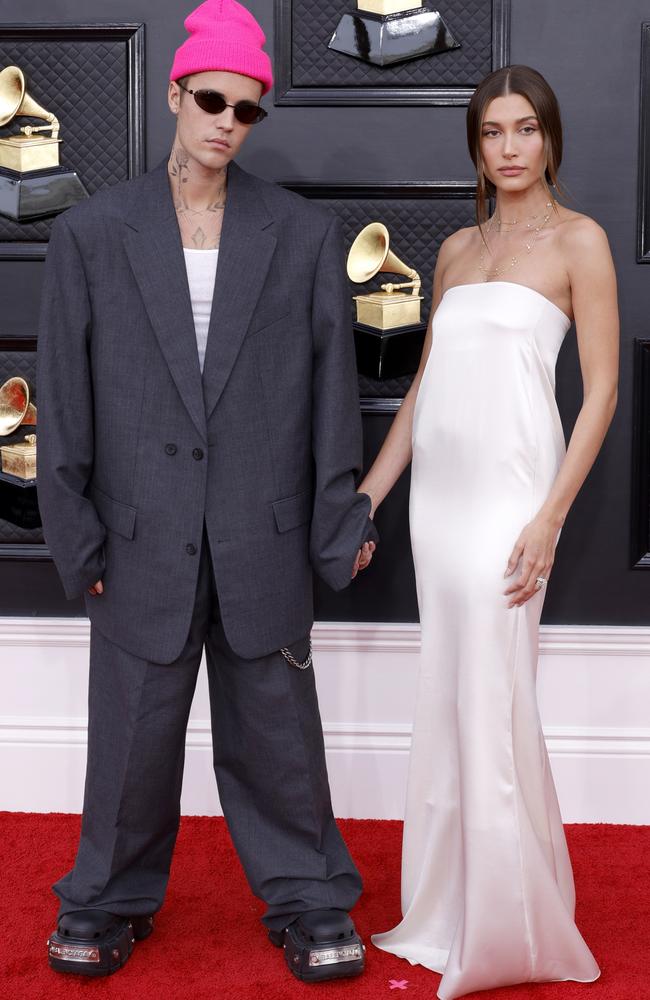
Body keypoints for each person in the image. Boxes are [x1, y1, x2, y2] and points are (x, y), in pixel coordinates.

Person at [37, 0, 377, 981]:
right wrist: (80, 543)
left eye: (248, 109)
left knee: (278, 744)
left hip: (262, 535)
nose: (228, 121)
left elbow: (328, 403)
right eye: (213, 100)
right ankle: (104, 901)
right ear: (177, 94)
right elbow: (62, 401)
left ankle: (311, 901)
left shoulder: (302, 237)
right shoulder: (95, 235)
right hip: (134, 538)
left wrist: (328, 528)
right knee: (130, 750)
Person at [361, 65, 618, 999]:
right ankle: (447, 910)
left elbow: (602, 393)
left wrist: (551, 515)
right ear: (476, 145)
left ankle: (508, 931)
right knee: (448, 694)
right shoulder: (456, 251)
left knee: (495, 693)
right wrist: (372, 499)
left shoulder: (580, 243)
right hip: (442, 502)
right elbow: (424, 389)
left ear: (549, 137)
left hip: (515, 495)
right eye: (492, 133)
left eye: (525, 129)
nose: (509, 148)